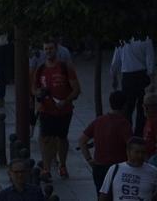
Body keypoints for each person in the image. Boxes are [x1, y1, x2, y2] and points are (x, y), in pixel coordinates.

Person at [32, 38, 81, 181]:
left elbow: (77, 90)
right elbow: (34, 88)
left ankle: (62, 165)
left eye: (51, 49)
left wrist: (65, 101)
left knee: (62, 138)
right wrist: (38, 93)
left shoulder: (65, 68)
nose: (48, 52)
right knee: (46, 138)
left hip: (64, 111)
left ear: (56, 50)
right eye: (46, 49)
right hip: (46, 110)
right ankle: (46, 169)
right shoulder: (40, 69)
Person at [80, 91, 133, 190]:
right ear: (125, 105)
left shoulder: (99, 121)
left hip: (99, 167)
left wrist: (89, 159)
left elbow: (82, 140)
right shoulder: (124, 124)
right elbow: (131, 146)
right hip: (117, 168)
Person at [98, 137, 157, 201]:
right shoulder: (115, 169)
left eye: (143, 152)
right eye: (137, 152)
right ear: (128, 152)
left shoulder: (153, 171)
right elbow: (104, 194)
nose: (140, 156)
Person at [111, 38, 156, 132]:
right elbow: (150, 60)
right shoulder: (146, 39)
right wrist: (152, 81)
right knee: (142, 108)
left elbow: (116, 60)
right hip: (142, 75)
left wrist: (114, 77)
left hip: (127, 77)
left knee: (127, 108)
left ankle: (127, 133)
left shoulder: (122, 39)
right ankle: (139, 134)